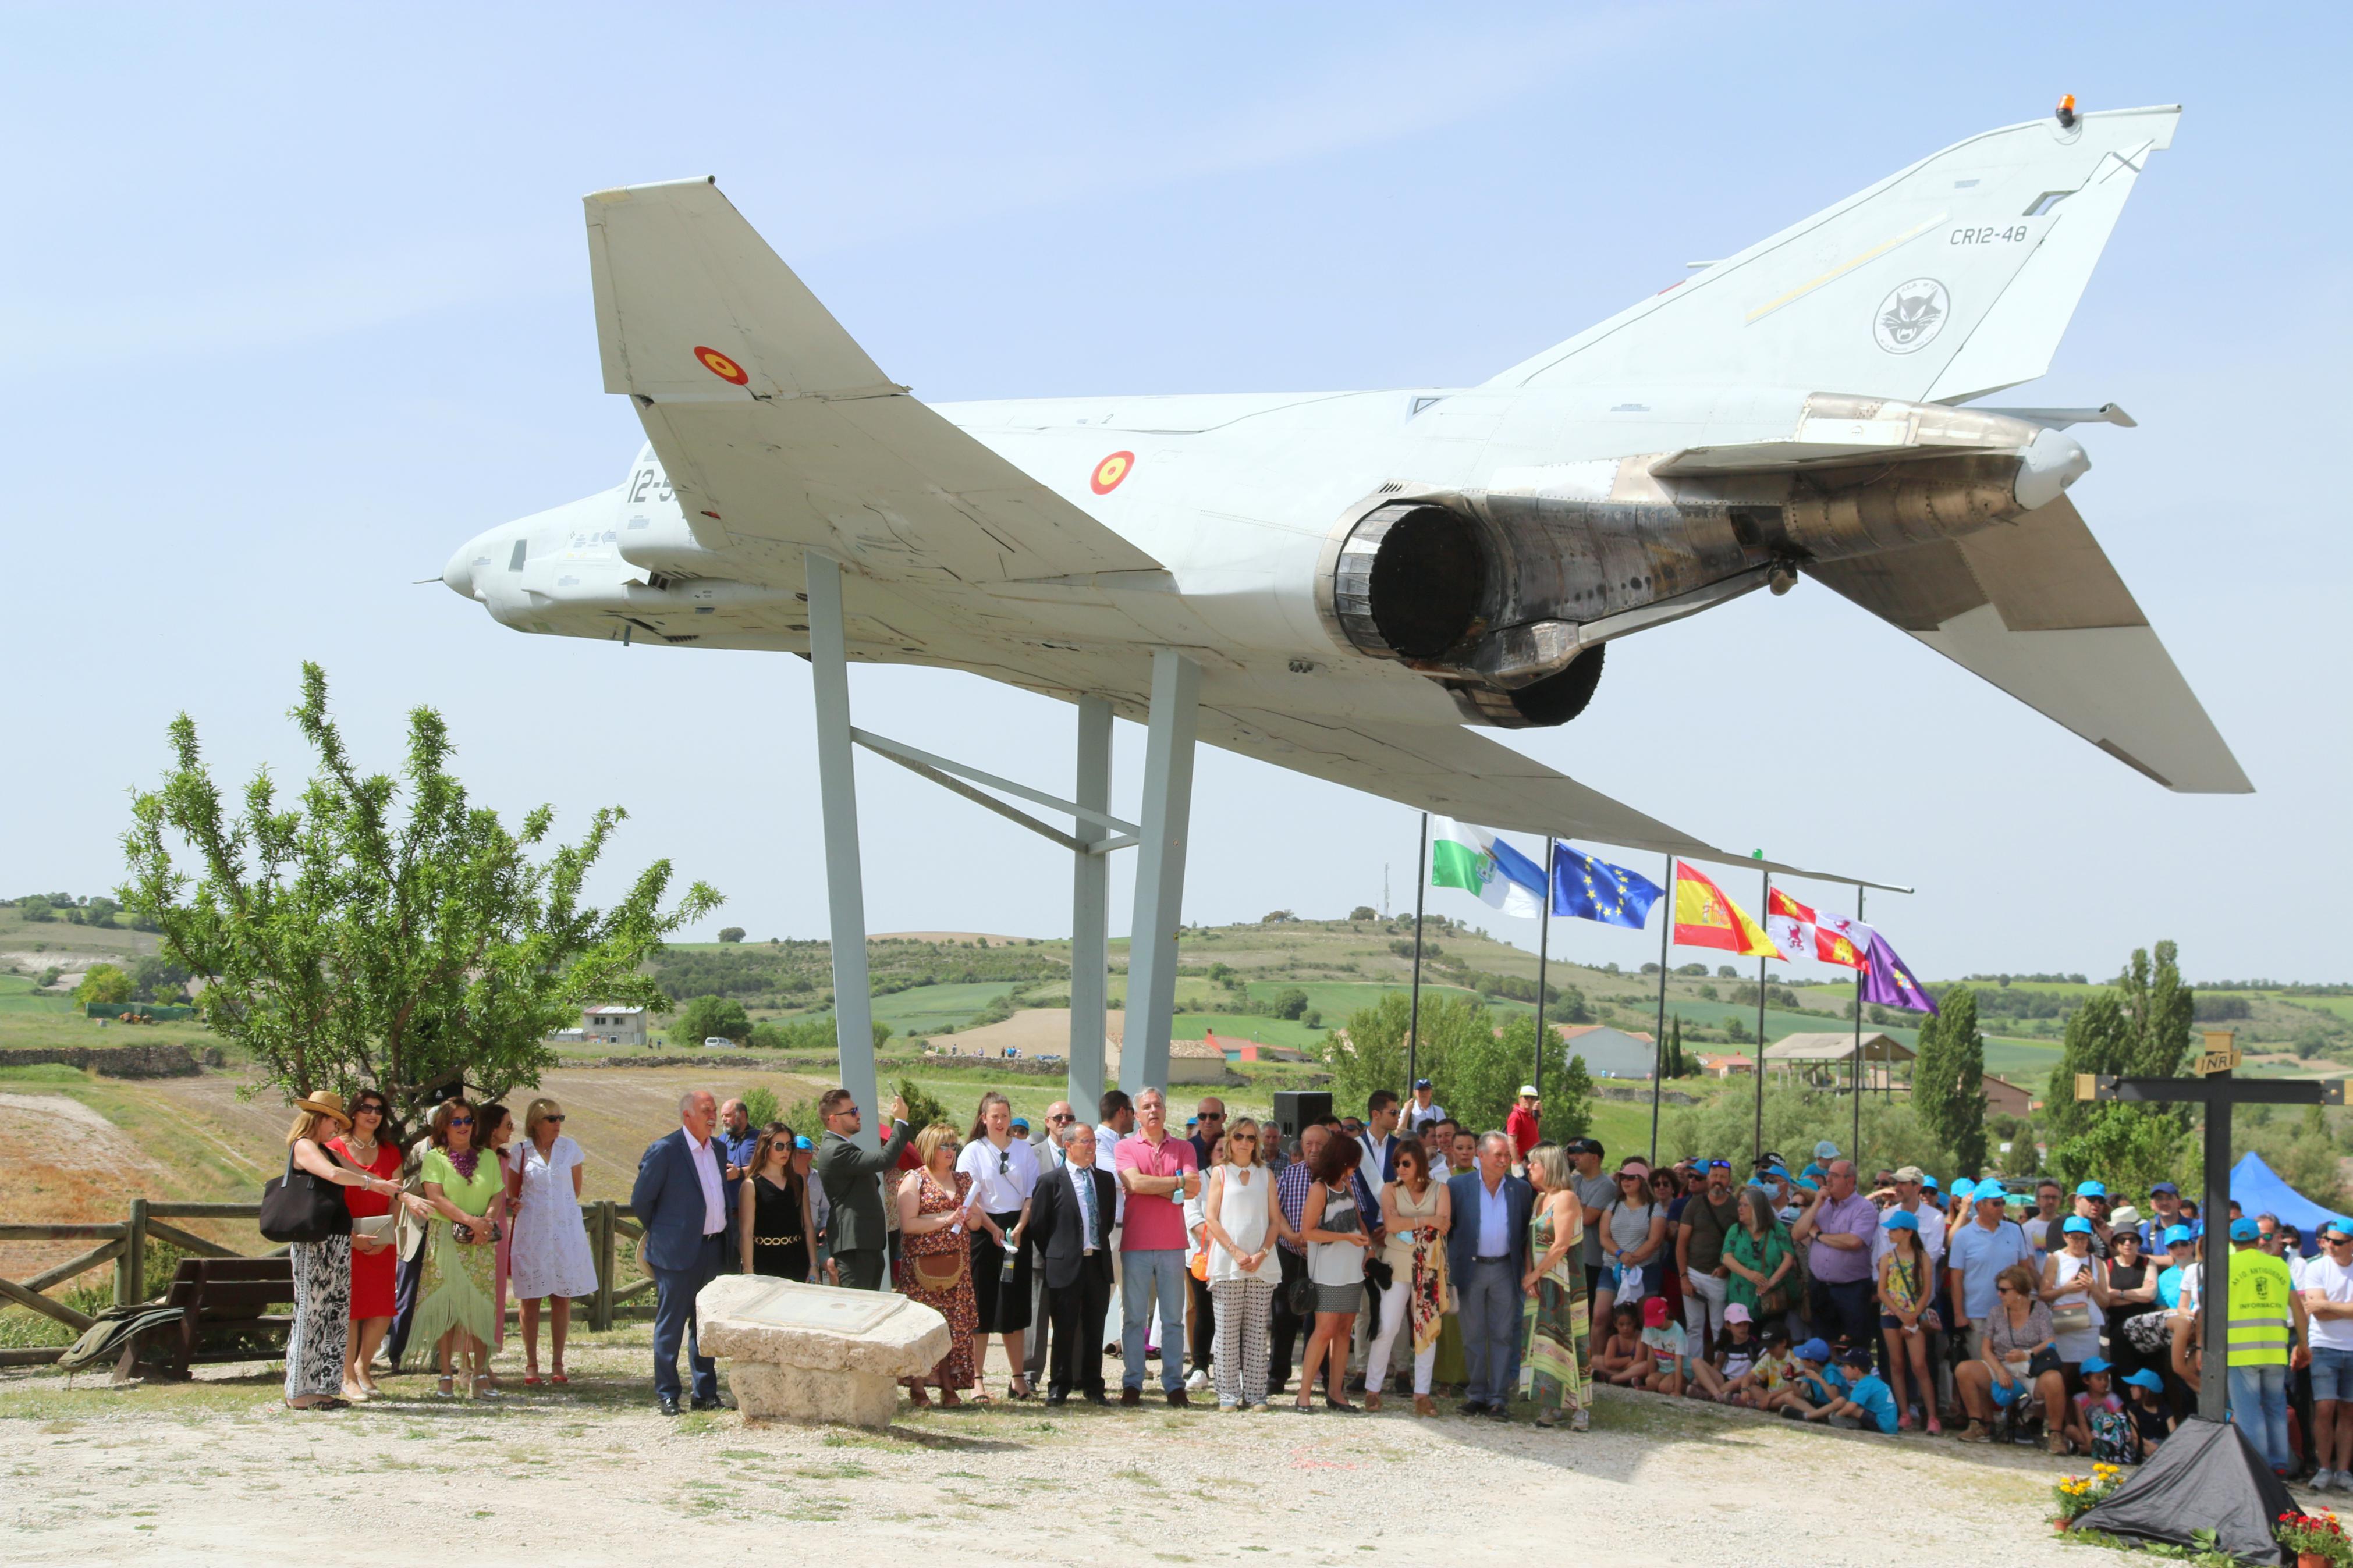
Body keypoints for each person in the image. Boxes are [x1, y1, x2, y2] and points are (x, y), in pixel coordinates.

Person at [282, 1091, 411, 1410]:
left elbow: (361, 1173)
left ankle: (323, 1389)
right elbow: (336, 1175)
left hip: (333, 1242)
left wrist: (388, 1188)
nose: (334, 1128)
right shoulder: (304, 1146)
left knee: (332, 1316)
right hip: (314, 1242)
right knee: (310, 1316)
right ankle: (298, 1392)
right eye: (332, 1121)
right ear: (319, 1119)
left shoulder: (326, 1149)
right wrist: (372, 1185)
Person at [630, 1090, 729, 1415]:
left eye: (714, 1109)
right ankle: (668, 1393)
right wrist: (669, 1232)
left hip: (713, 1251)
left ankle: (705, 1393)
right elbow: (642, 1201)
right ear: (687, 1115)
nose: (713, 1116)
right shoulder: (666, 1150)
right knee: (670, 1325)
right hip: (676, 1254)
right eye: (706, 1110)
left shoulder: (718, 1149)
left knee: (705, 1325)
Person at [414, 1096, 510, 1400]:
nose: (464, 1126)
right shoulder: (435, 1159)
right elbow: (436, 1197)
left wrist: (486, 1223)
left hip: (481, 1240)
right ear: (444, 1127)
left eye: (468, 1120)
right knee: (448, 1307)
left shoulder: (488, 1158)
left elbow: (498, 1193)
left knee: (480, 1306)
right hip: (445, 1237)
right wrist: (470, 1221)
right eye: (456, 1121)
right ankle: (446, 1375)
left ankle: (480, 1375)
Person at [1116, 1087, 1199, 1406]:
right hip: (1136, 1243)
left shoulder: (1184, 1148)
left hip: (1172, 1244)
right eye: (1147, 1107)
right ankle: (1133, 1382)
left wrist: (1152, 1186)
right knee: (1134, 1318)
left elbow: (1192, 1189)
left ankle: (1174, 1384)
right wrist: (1175, 1183)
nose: (1153, 1110)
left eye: (1158, 1105)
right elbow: (1134, 1183)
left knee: (1174, 1318)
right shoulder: (1125, 1147)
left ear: (1165, 1110)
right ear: (1136, 1115)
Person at [1201, 1114, 1288, 1412]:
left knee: (1255, 1332)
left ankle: (1255, 1394)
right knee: (1226, 1331)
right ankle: (1227, 1393)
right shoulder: (1220, 1173)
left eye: (1251, 1138)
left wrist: (1262, 1253)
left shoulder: (1267, 1175)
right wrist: (1236, 1252)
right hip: (1228, 1262)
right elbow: (1211, 1219)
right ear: (1230, 1140)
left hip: (1261, 1262)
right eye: (1240, 1137)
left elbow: (1276, 1221)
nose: (1245, 1143)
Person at [955, 1090, 1038, 1399]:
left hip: (1016, 1230)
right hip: (983, 1232)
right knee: (982, 1305)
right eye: (995, 1116)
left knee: (1013, 1306)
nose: (1001, 1122)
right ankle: (977, 1379)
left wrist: (1019, 1227)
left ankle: (1018, 1378)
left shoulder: (1024, 1150)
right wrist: (993, 1230)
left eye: (1005, 1116)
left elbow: (1031, 1192)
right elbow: (971, 1197)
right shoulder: (973, 1151)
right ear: (984, 1119)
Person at [510, 1097, 598, 1385]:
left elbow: (575, 1190)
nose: (558, 1124)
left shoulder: (570, 1149)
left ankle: (558, 1361)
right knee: (531, 1298)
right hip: (532, 1231)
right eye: (552, 1119)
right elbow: (514, 1195)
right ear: (535, 1122)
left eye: (561, 1118)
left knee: (562, 1296)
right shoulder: (520, 1152)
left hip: (563, 1231)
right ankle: (531, 1363)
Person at [895, 1123, 982, 1407]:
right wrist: (945, 1220)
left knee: (953, 1326)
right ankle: (917, 1386)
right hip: (923, 1269)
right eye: (944, 1146)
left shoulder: (964, 1180)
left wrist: (968, 1219)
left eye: (953, 1146)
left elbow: (978, 1220)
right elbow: (908, 1225)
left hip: (956, 1266)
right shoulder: (915, 1179)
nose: (950, 1152)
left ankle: (949, 1385)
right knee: (923, 1326)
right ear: (930, 1148)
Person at [1031, 1121, 1117, 1405]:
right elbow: (1040, 1227)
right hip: (1065, 1265)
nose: (1092, 1147)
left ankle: (1094, 1386)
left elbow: (1104, 1222)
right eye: (1086, 1142)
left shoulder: (1104, 1181)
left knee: (1095, 1329)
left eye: (1094, 1142)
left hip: (1097, 1265)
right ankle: (1059, 1385)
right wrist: (1061, 1252)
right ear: (1068, 1146)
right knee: (1065, 1329)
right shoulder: (1050, 1181)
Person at [1447, 1130, 1532, 1419]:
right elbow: (1452, 1230)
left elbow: (1523, 1235)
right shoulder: (1457, 1186)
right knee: (1473, 1335)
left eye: (1507, 1155)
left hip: (1504, 1270)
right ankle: (1476, 1395)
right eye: (1498, 1155)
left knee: (1503, 1335)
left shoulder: (1521, 1189)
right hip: (1471, 1270)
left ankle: (1498, 1398)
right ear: (1480, 1156)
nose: (1504, 1160)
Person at [326, 1089, 402, 1402]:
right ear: (354, 1112)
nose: (373, 1114)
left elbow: (397, 1195)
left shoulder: (390, 1151)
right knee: (352, 1311)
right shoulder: (334, 1148)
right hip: (347, 1240)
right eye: (366, 1108)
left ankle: (363, 1367)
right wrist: (351, 1238)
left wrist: (388, 1233)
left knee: (383, 1310)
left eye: (379, 1110)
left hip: (382, 1241)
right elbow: (328, 1200)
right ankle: (347, 1378)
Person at [1365, 1139, 1450, 1415]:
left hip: (1428, 1267)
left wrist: (1410, 1225)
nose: (1400, 1169)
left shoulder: (1441, 1189)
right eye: (1396, 1164)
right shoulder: (1390, 1189)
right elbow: (1391, 1224)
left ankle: (1422, 1395)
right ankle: (1372, 1390)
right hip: (1397, 1265)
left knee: (1426, 1330)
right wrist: (1425, 1221)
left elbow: (1444, 1225)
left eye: (1405, 1163)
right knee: (1387, 1327)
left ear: (1420, 1164)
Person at [2226, 1214, 2305, 1476]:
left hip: (2240, 1352)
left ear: (2232, 1240)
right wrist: (2304, 1345)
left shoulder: (2224, 1265)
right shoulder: (2280, 1266)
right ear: (2259, 1239)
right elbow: (2298, 1309)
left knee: (2249, 1414)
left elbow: (2209, 1311)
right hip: (2274, 1351)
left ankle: (2257, 1472)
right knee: (2275, 1409)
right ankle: (2279, 1465)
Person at [1954, 1263, 2068, 1446]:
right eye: (1998, 1289)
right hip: (2002, 1364)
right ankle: (1978, 1424)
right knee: (1964, 1369)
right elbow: (1986, 1349)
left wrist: (2027, 1355)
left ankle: (2055, 1434)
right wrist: (2000, 1371)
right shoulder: (1996, 1312)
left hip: (2031, 1368)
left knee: (2055, 1379)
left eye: (2004, 1290)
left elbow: (2049, 1341)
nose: (1999, 1294)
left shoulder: (2039, 1310)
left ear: (2020, 1291)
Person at [1297, 1130, 1370, 1412]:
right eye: (1354, 1161)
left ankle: (1337, 1393)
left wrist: (1368, 1248)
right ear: (1343, 1160)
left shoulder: (1348, 1186)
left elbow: (1358, 1220)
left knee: (1343, 1331)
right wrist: (1347, 1239)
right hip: (1327, 1272)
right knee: (1324, 1330)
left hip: (1352, 1270)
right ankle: (1304, 1395)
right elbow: (1308, 1232)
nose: (1356, 1167)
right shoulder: (1320, 1189)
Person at [814, 1089, 914, 1291]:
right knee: (856, 1310)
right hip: (854, 1246)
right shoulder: (836, 1150)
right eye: (852, 1112)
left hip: (864, 1243)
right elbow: (885, 1159)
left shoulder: (841, 1147)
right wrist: (900, 1122)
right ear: (833, 1119)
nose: (859, 1115)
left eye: (857, 1109)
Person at [1520, 1142, 1589, 1431]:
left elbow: (1560, 1244)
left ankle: (1580, 1408)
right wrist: (1530, 1275)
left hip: (1564, 1281)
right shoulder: (1540, 1200)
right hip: (1541, 1279)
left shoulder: (1566, 1198)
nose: (1529, 1168)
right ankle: (1551, 1402)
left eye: (1534, 1163)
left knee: (1569, 1339)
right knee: (1543, 1341)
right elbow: (1531, 1240)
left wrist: (1534, 1275)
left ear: (1548, 1166)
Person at [1791, 1157, 1876, 1360]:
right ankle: (1826, 1386)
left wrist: (1819, 1236)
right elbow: (1797, 1234)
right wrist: (1816, 1205)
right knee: (1823, 1341)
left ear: (1850, 1181)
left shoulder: (1864, 1208)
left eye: (1834, 1176)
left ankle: (1854, 1386)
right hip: (1821, 1286)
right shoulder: (1822, 1205)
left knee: (1854, 1343)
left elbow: (1853, 1241)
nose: (1828, 1180)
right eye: (1828, 1174)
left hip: (1852, 1289)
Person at [1269, 1121, 1325, 1396]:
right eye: (1308, 1144)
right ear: (1301, 1147)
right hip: (1290, 1254)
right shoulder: (1290, 1175)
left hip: (1326, 1256)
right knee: (1283, 1316)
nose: (1314, 1150)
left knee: (1322, 1318)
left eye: (1320, 1145)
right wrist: (1290, 1235)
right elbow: (1274, 1212)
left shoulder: (1341, 1178)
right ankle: (1278, 1374)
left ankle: (1321, 1374)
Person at [1949, 1183, 2033, 1363]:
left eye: (2002, 1202)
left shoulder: (2015, 1230)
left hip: (2011, 1313)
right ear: (1980, 1205)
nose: (2002, 1207)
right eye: (1996, 1204)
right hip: (1978, 1315)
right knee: (1983, 1370)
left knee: (2013, 1369)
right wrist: (1959, 1315)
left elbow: (2024, 1269)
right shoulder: (1963, 1236)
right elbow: (1956, 1277)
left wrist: (2026, 1304)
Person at [1875, 1208, 1939, 1432]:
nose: (1890, 1233)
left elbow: (1927, 1291)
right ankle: (1904, 1413)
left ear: (1908, 1232)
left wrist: (1911, 1316)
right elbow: (1882, 1291)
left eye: (1894, 1229)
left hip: (1913, 1315)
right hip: (1891, 1315)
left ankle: (1932, 1416)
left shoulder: (1924, 1259)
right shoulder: (1887, 1258)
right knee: (1896, 1364)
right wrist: (1901, 1314)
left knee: (1919, 1365)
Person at [2301, 1217, 2353, 1490]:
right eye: (2328, 1240)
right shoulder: (2317, 1267)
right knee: (2324, 1407)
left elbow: (2322, 1307)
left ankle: (2343, 1471)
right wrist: (2342, 1309)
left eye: (2337, 1242)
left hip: (2352, 1348)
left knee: (2348, 1410)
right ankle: (2323, 1468)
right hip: (2324, 1346)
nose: (2330, 1246)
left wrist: (2326, 1305)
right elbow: (2316, 1311)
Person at [737, 1122, 819, 1283]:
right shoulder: (751, 1185)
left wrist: (814, 1265)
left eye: (789, 1146)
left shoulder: (799, 1181)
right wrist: (749, 1273)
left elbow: (808, 1226)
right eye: (779, 1146)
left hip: (797, 1257)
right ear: (766, 1147)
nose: (786, 1151)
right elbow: (746, 1233)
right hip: (765, 1261)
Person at [1593, 1158, 1665, 1333]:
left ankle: (1649, 1358)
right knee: (1600, 1315)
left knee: (1645, 1317)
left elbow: (1654, 1241)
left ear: (1642, 1180)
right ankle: (1596, 1358)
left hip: (1644, 1269)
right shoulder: (1613, 1206)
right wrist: (1621, 1255)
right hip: (1612, 1268)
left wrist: (1632, 1259)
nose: (1625, 1181)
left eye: (1631, 1177)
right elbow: (1604, 1237)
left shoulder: (1654, 1209)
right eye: (1623, 1177)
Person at [1677, 1159, 1739, 1359]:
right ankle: (1693, 1371)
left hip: (1719, 1276)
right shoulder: (1695, 1204)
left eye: (1722, 1177)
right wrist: (1684, 1277)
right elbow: (1681, 1243)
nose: (1718, 1181)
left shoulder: (1736, 1207)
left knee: (1720, 1326)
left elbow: (1741, 1244)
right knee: (1694, 1326)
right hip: (1693, 1272)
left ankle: (1721, 1370)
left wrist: (1726, 1268)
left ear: (1729, 1180)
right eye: (1714, 1176)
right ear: (1709, 1178)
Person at [1182, 1129, 1225, 1392]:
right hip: (1203, 1256)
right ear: (1210, 1154)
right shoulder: (1199, 1181)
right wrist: (1227, 1244)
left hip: (1235, 1261)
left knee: (1232, 1316)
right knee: (1204, 1312)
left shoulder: (1243, 1180)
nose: (1225, 1155)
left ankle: (1230, 1368)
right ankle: (1200, 1366)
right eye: (1220, 1150)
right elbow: (1194, 1221)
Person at [1719, 1183, 1795, 1329]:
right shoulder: (1736, 1230)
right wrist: (1749, 1274)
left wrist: (1771, 1282)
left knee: (1770, 1341)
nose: (1740, 1209)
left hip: (1771, 1300)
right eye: (1739, 1205)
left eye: (1745, 1205)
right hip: (1742, 1300)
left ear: (1758, 1208)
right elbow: (1726, 1258)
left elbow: (1789, 1257)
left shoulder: (1776, 1228)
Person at [2043, 1216, 2109, 1383]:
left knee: (2089, 1372)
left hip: (2088, 1323)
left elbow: (2105, 1301)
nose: (2079, 1243)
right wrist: (2067, 1289)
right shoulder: (2055, 1259)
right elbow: (2043, 1294)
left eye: (2084, 1238)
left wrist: (2092, 1287)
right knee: (2063, 1372)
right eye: (2075, 1238)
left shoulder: (2096, 1262)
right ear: (2065, 1237)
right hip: (2063, 1323)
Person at [478, 1103, 517, 1348]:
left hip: (499, 1232)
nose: (512, 1130)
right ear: (493, 1129)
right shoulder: (475, 1158)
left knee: (496, 1294)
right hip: (477, 1231)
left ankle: (487, 1358)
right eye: (508, 1125)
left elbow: (500, 1193)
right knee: (477, 1295)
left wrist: (510, 1201)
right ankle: (467, 1363)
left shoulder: (504, 1158)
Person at [2065, 1356, 2133, 1462]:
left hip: (2109, 1437)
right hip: (2089, 1435)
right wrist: (2090, 1441)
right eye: (2099, 1379)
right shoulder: (2079, 1399)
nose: (2104, 1383)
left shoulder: (2113, 1399)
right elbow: (2082, 1422)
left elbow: (2119, 1423)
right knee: (2070, 1430)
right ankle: (2094, 1449)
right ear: (2086, 1380)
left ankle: (2089, 1450)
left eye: (2106, 1378)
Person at [1826, 1343, 1899, 1432]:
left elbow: (1851, 1408)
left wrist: (1837, 1415)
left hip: (1883, 1424)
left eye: (1845, 1367)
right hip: (1890, 1424)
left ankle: (1849, 1423)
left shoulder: (1863, 1384)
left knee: (1849, 1407)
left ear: (1856, 1370)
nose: (1842, 1370)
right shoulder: (1872, 1380)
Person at [2124, 1367, 2175, 1456]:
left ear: (2146, 1390)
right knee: (2135, 1442)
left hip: (2163, 1445)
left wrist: (2163, 1447)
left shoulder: (2165, 1409)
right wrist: (2152, 1446)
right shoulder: (2133, 1408)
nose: (2131, 1389)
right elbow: (2135, 1435)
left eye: (2134, 1386)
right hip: (2145, 1444)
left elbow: (2174, 1433)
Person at [1357, 1090, 1401, 1183]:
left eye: (1399, 1112)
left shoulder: (1400, 1147)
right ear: (1376, 1114)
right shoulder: (1355, 1146)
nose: (1398, 1116)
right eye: (1393, 1112)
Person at [1189, 1097, 1226, 1168]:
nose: (1208, 1121)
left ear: (1224, 1118)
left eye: (1214, 1116)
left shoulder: (1233, 1147)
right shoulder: (1186, 1149)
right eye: (1203, 1116)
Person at [1506, 1087, 1542, 1160]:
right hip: (1522, 1162)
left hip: (1532, 1162)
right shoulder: (1516, 1116)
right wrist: (1517, 1163)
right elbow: (1511, 1143)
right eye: (1526, 1097)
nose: (1529, 1100)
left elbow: (1533, 1133)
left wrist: (1540, 1114)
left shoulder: (1530, 1115)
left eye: (1532, 1098)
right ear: (1520, 1098)